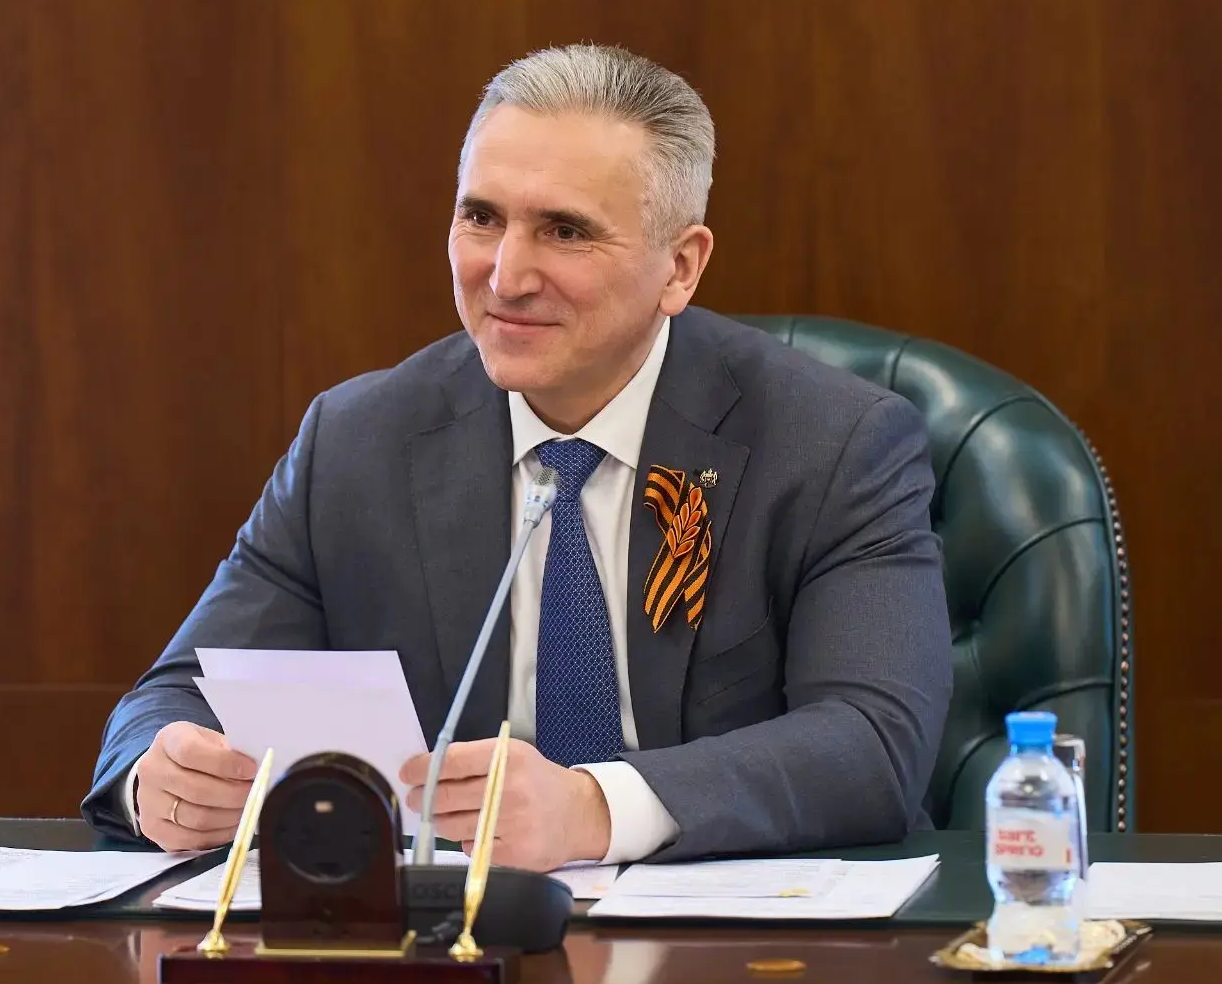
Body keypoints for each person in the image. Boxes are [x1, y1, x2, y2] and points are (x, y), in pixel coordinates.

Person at [82, 44, 951, 870]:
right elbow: (176, 696)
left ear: (680, 268)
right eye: (481, 218)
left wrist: (594, 808)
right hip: (450, 939)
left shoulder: (832, 444)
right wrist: (159, 778)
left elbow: (873, 743)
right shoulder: (358, 441)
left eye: (565, 231)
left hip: (743, 939)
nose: (505, 276)